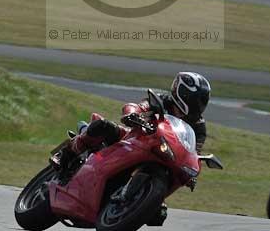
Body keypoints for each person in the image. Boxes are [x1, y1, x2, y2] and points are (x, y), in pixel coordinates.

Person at [56, 71, 211, 171]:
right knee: (101, 125)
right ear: (183, 93)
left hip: (164, 156)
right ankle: (67, 154)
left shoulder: (199, 127)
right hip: (136, 138)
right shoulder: (162, 100)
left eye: (203, 101)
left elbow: (194, 152)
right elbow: (139, 106)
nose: (199, 105)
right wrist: (132, 114)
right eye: (197, 100)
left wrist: (194, 166)